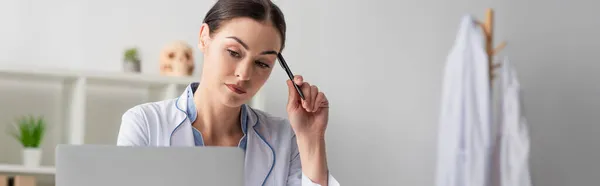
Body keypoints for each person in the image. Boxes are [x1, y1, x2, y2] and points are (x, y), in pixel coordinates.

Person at [116, 0, 339, 185]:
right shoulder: (145, 124)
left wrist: (311, 138)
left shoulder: (283, 137)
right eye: (233, 52)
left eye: (262, 63)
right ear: (204, 37)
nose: (244, 74)